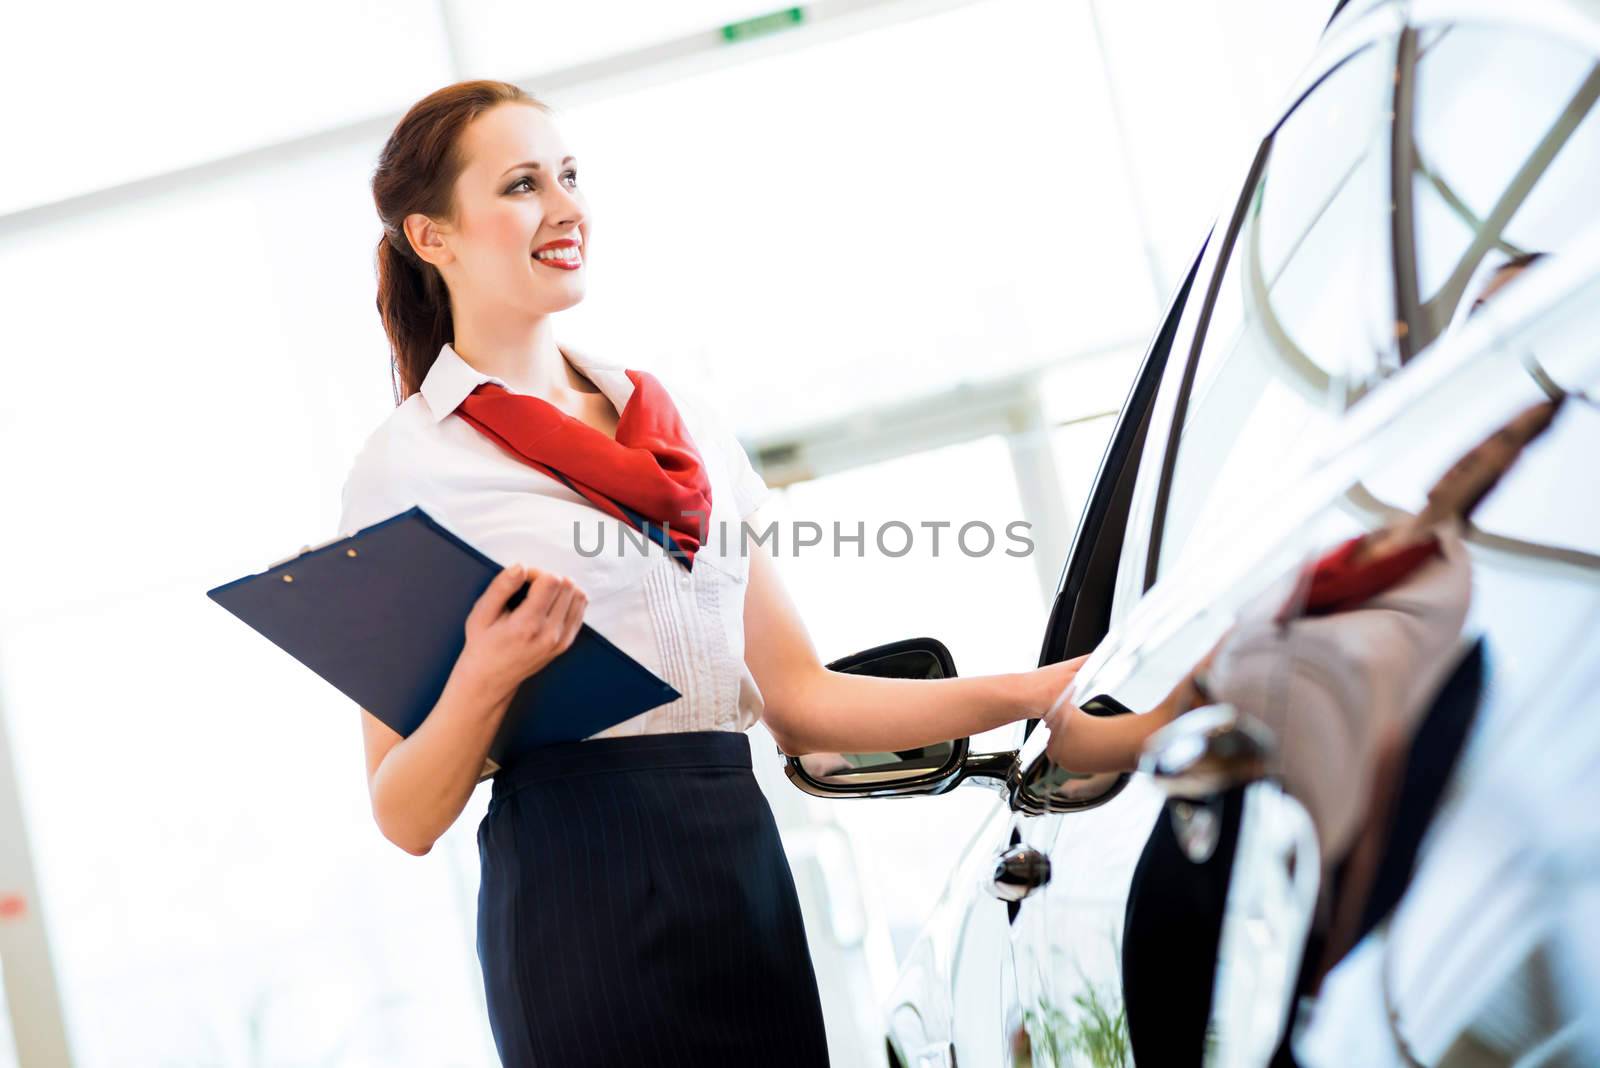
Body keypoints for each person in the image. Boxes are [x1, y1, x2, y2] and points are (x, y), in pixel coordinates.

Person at [342, 80, 1082, 1066]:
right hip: (574, 891)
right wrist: (486, 673)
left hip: (738, 869)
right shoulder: (409, 464)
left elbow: (803, 703)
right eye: (523, 184)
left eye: (568, 176)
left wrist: (1042, 691)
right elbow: (402, 811)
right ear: (432, 238)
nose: (566, 208)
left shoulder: (682, 425)